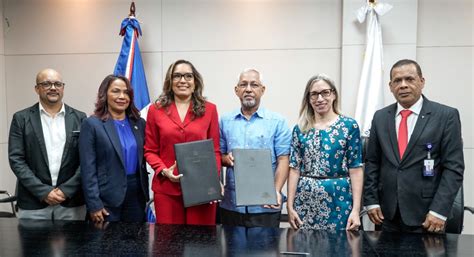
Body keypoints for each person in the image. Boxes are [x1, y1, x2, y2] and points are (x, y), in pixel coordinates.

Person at [364, 59, 464, 233]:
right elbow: (372, 162)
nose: (403, 85)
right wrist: (371, 200)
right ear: (390, 86)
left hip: (427, 216)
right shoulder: (380, 117)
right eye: (397, 81)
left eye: (409, 79)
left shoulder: (446, 116)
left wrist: (439, 211)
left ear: (422, 81)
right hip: (387, 215)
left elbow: (453, 168)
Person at [144, 59, 221, 225]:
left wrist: (214, 182)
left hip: (201, 188)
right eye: (177, 76)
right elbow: (150, 150)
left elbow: (214, 150)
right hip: (167, 190)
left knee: (200, 244)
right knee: (168, 244)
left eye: (188, 76)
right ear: (170, 82)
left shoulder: (210, 110)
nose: (183, 80)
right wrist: (163, 170)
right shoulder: (155, 110)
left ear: (195, 81)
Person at [286, 74, 363, 230]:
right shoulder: (299, 129)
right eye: (314, 94)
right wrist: (289, 206)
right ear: (308, 99)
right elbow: (294, 169)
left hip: (339, 201)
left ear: (333, 94)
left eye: (325, 92)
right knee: (306, 248)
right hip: (305, 201)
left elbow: (355, 169)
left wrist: (356, 210)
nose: (319, 98)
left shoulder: (349, 126)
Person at [8, 68, 86, 220]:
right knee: (33, 245)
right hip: (33, 203)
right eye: (46, 84)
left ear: (63, 88)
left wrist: (66, 190)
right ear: (37, 88)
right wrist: (43, 192)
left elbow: (86, 160)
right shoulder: (21, 119)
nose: (53, 88)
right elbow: (16, 159)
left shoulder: (80, 118)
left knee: (75, 244)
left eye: (57, 84)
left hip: (71, 202)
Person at [219, 68, 291, 228]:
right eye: (243, 85)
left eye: (254, 84)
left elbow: (283, 160)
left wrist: (276, 191)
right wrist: (226, 159)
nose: (249, 89)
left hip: (265, 205)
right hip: (232, 204)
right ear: (236, 90)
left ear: (262, 90)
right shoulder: (224, 121)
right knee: (232, 251)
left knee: (265, 252)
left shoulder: (277, 122)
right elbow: (218, 156)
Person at [79, 75, 149, 222]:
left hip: (136, 195)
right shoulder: (92, 124)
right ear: (105, 95)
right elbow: (87, 169)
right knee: (106, 243)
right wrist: (94, 204)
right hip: (106, 198)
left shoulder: (139, 123)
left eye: (126, 92)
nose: (122, 96)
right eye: (116, 91)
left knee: (136, 242)